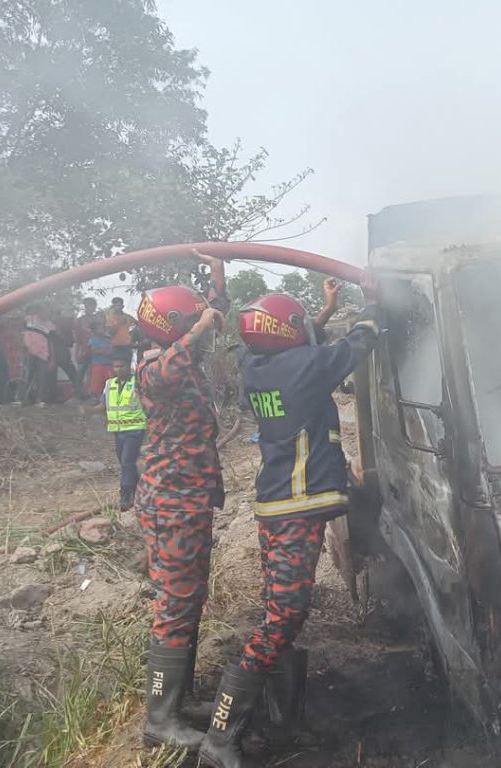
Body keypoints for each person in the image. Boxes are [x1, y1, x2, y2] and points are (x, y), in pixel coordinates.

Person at [198, 278, 380, 768]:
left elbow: (307, 349)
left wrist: (322, 310)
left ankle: (284, 721)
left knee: (287, 612)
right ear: (286, 331)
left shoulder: (255, 366)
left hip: (276, 502)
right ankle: (221, 734)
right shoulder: (303, 366)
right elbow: (359, 341)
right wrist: (376, 302)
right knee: (282, 617)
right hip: (296, 507)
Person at [133, 251, 229, 752]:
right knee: (174, 604)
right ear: (170, 327)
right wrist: (198, 326)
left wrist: (216, 276)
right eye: (190, 320)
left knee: (190, 599)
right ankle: (160, 720)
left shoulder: (181, 352)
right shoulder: (153, 368)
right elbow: (183, 352)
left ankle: (179, 699)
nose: (200, 326)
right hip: (170, 500)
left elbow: (207, 326)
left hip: (189, 499)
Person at [84, 352, 147, 510]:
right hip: (118, 431)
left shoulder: (137, 383)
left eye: (121, 366)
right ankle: (140, 490)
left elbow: (147, 404)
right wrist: (89, 410)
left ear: (129, 366)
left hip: (135, 429)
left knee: (127, 461)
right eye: (115, 366)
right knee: (126, 463)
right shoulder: (109, 384)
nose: (118, 369)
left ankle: (126, 496)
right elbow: (103, 406)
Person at [19, 305, 55, 405]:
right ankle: (22, 398)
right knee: (26, 376)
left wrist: (52, 358)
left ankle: (40, 399)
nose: (46, 313)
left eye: (49, 312)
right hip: (29, 352)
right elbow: (21, 327)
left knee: (42, 377)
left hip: (43, 354)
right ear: (39, 312)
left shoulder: (50, 325)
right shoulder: (30, 319)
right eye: (44, 311)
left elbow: (51, 341)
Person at [74, 298, 101, 395]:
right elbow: (77, 339)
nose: (90, 307)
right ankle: (77, 394)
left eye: (92, 305)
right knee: (80, 372)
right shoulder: (79, 321)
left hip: (97, 350)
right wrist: (77, 352)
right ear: (85, 307)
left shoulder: (98, 319)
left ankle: (91, 393)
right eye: (88, 305)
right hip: (84, 350)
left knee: (93, 373)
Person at [87, 320, 114, 400]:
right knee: (97, 383)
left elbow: (111, 352)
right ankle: (98, 399)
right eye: (98, 328)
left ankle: (110, 399)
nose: (101, 330)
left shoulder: (109, 340)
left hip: (108, 364)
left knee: (109, 382)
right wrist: (105, 351)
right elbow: (93, 351)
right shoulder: (92, 340)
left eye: (102, 328)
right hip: (97, 365)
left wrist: (100, 350)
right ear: (94, 330)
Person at [107, 296, 136, 363]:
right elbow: (110, 332)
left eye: (119, 305)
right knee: (115, 370)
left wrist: (133, 337)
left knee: (126, 369)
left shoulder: (128, 317)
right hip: (114, 347)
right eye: (115, 305)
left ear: (122, 306)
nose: (117, 307)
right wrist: (119, 323)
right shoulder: (109, 318)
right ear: (113, 306)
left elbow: (139, 324)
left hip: (127, 347)